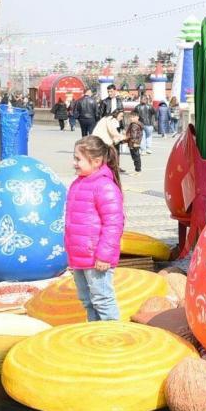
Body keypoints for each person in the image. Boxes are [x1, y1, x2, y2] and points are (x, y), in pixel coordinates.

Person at [65, 136, 124, 321]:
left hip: (96, 258)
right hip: (80, 257)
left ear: (96, 161)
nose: (74, 163)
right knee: (87, 300)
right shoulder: (79, 183)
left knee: (102, 300)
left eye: (78, 159)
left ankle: (113, 334)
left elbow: (114, 224)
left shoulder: (105, 186)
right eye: (74, 158)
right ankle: (95, 332)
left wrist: (104, 256)